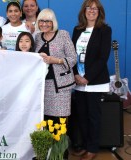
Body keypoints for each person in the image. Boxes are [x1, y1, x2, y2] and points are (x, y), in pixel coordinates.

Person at [72, 0, 112, 159]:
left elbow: (103, 58)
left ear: (99, 12)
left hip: (95, 82)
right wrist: (76, 74)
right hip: (78, 81)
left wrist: (87, 77)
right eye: (89, 8)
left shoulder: (104, 30)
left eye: (95, 8)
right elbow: (71, 54)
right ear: (84, 11)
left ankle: (93, 148)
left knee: (93, 116)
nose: (91, 11)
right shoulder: (77, 29)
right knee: (81, 115)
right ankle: (85, 145)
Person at [34, 8, 76, 125]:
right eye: (41, 21)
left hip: (60, 87)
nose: (44, 24)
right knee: (44, 120)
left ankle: (60, 144)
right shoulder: (37, 37)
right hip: (43, 86)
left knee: (59, 122)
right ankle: (47, 144)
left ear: (53, 22)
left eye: (48, 21)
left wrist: (56, 60)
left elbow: (73, 58)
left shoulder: (63, 35)